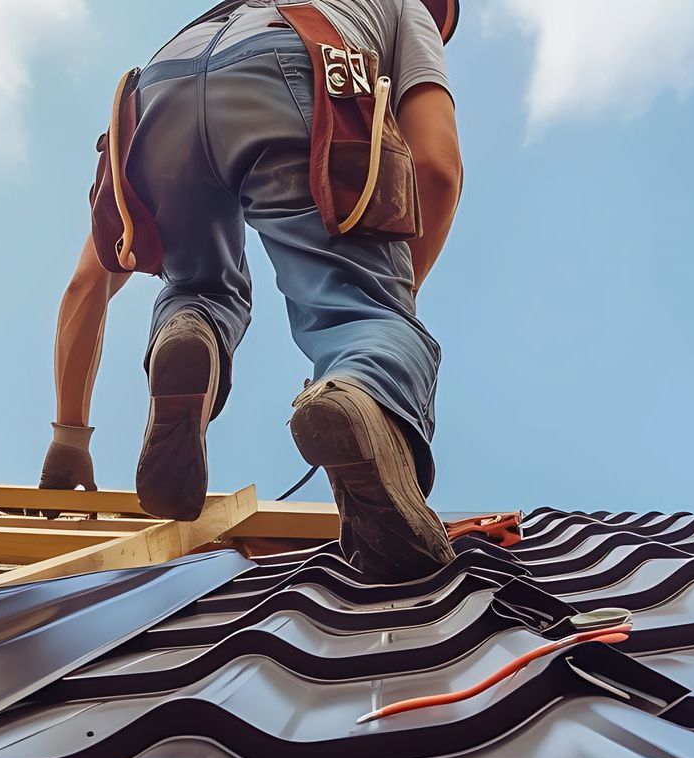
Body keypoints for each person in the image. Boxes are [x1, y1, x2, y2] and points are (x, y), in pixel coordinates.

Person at [40, 0, 463, 582]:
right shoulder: (407, 7)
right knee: (360, 312)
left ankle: (189, 326)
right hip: (294, 63)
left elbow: (85, 285)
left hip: (157, 92)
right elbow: (438, 166)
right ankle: (364, 390)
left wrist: (69, 437)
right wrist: (380, 322)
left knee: (197, 286)